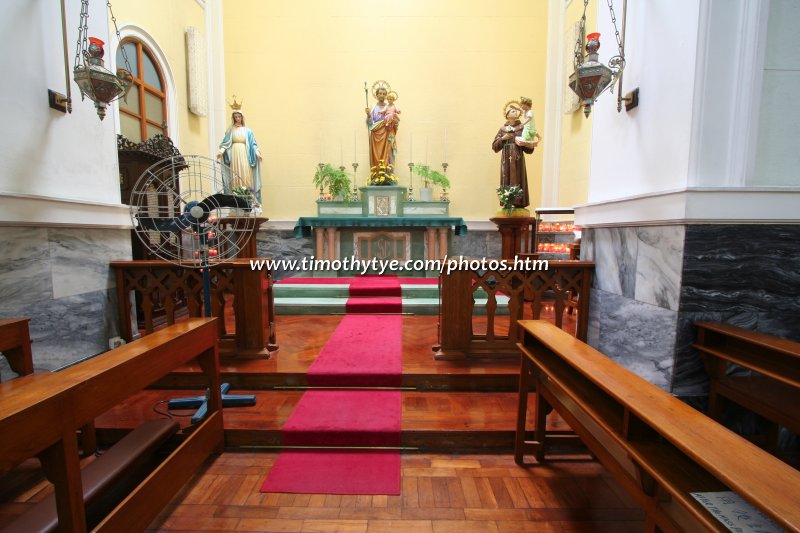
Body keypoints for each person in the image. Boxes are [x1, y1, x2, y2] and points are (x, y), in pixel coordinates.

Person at [492, 103, 534, 208]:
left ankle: (519, 203)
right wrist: (503, 138)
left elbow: (529, 148)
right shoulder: (502, 129)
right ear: (507, 115)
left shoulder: (522, 128)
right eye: (511, 110)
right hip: (506, 159)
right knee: (507, 176)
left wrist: (527, 144)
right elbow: (494, 147)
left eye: (515, 110)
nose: (514, 111)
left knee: (518, 177)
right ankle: (508, 202)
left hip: (518, 158)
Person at [217, 111, 263, 203]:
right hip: (234, 154)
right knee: (235, 174)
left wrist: (257, 153)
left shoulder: (248, 131)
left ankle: (247, 197)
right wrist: (221, 152)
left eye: (239, 117)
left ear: (242, 118)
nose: (237, 118)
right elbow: (225, 144)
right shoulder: (230, 131)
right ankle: (236, 198)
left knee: (245, 173)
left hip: (244, 154)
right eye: (235, 117)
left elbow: (253, 144)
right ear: (233, 118)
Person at [364, 84, 394, 178]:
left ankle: (387, 176)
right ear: (376, 95)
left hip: (386, 134)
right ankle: (376, 175)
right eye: (380, 93)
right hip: (375, 135)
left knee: (387, 154)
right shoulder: (373, 107)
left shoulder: (390, 106)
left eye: (384, 94)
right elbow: (370, 124)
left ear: (386, 96)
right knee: (375, 155)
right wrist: (369, 115)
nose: (382, 95)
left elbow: (394, 121)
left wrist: (392, 121)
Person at [384, 91, 401, 162]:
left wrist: (395, 121)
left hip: (391, 130)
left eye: (391, 99)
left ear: (393, 100)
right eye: (389, 99)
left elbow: (397, 119)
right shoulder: (386, 107)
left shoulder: (394, 106)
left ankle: (390, 168)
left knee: (390, 146)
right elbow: (383, 111)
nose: (390, 100)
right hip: (384, 131)